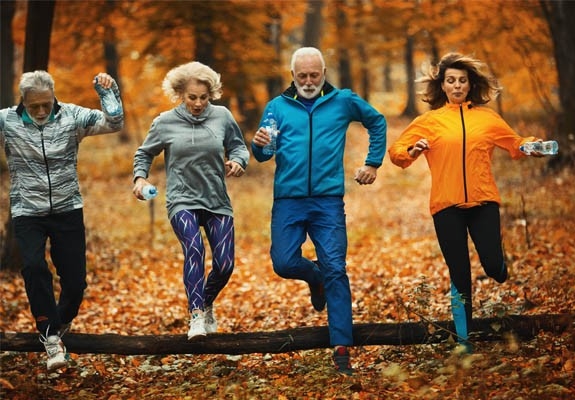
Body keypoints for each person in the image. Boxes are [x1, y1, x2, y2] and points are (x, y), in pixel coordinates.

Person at [388, 52, 548, 353]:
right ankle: (464, 340)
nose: (457, 85)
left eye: (462, 80)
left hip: (483, 202)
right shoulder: (430, 121)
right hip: (446, 207)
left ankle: (499, 264)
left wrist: (531, 146)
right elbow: (396, 151)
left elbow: (514, 143)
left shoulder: (487, 118)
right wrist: (412, 150)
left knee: (493, 267)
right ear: (443, 86)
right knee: (459, 272)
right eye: (451, 80)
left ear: (470, 84)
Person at [251, 47, 387, 375]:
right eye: (302, 76)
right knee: (283, 262)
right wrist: (258, 144)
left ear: (323, 73)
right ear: (293, 76)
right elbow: (263, 154)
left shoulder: (342, 100)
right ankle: (316, 278)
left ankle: (341, 350)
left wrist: (372, 162)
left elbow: (377, 121)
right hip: (288, 199)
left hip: (327, 200)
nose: (309, 81)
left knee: (336, 268)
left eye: (314, 75)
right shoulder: (277, 108)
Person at [0, 70, 124, 370]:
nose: (41, 111)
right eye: (34, 107)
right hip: (27, 210)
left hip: (67, 208)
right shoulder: (6, 120)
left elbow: (115, 122)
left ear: (54, 96)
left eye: (46, 104)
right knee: (32, 266)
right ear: (23, 102)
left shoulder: (72, 116)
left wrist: (108, 92)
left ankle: (57, 324)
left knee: (75, 283)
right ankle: (51, 338)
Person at [132, 62, 249, 341]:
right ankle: (196, 314)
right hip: (181, 199)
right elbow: (144, 154)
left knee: (225, 265)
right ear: (180, 95)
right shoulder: (164, 122)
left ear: (211, 94)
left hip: (216, 200)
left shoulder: (222, 116)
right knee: (194, 248)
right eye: (191, 97)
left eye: (203, 97)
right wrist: (140, 178)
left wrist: (238, 161)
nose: (198, 103)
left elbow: (238, 146)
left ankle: (206, 301)